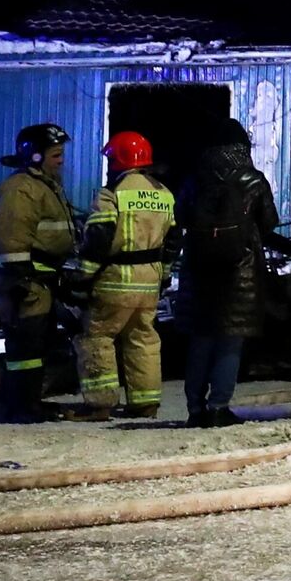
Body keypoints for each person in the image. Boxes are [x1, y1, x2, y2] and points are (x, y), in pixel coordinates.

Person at [175, 118, 291, 427]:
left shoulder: (192, 181)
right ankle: (218, 407)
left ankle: (195, 410)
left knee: (201, 340)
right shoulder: (252, 179)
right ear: (241, 146)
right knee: (230, 339)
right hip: (240, 275)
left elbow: (181, 219)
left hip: (198, 273)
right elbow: (269, 223)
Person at [68, 131, 182, 421]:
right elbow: (172, 242)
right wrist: (164, 277)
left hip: (115, 280)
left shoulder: (111, 195)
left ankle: (99, 404)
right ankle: (146, 403)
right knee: (143, 338)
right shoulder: (164, 194)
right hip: (149, 282)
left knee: (97, 337)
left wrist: (82, 280)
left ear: (118, 161)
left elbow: (98, 241)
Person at [0, 124, 81, 421]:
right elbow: (12, 236)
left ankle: (29, 401)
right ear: (36, 156)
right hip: (24, 281)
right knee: (25, 347)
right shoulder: (22, 188)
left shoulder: (43, 184)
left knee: (36, 344)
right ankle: (22, 405)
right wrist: (22, 277)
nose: (61, 160)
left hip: (38, 278)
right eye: (56, 154)